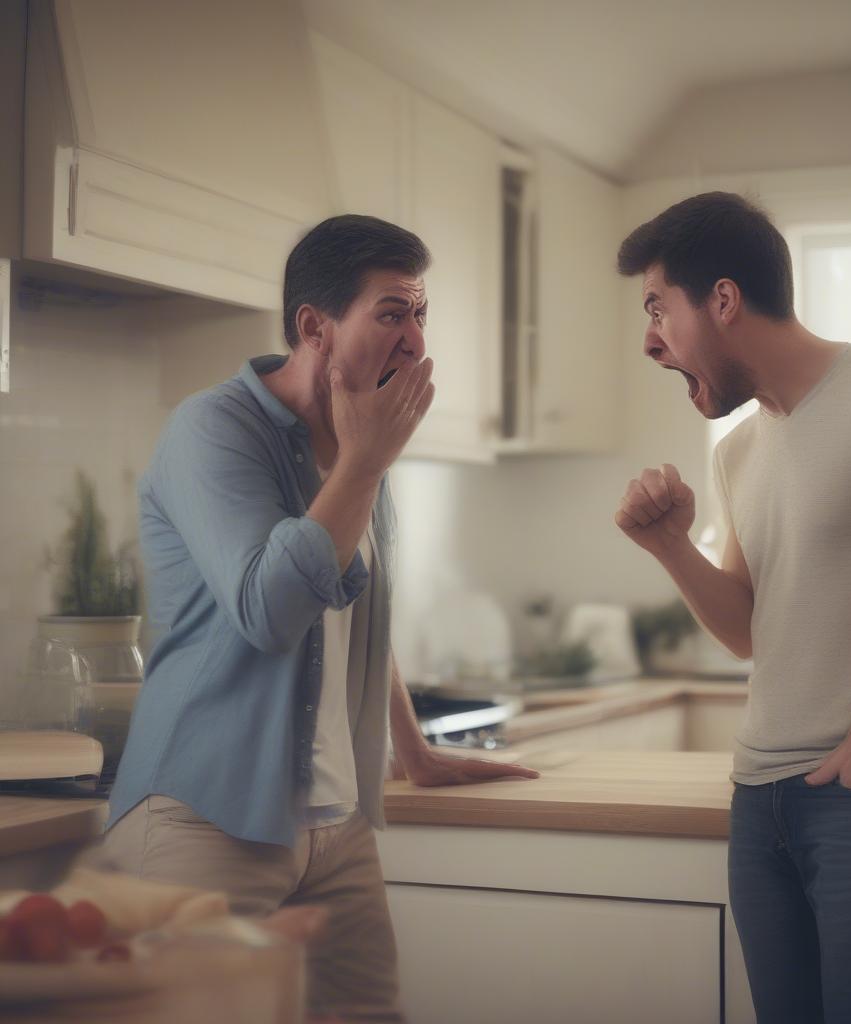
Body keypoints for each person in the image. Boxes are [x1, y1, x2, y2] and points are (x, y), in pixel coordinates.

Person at [93, 214, 539, 1023]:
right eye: (394, 312)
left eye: (422, 314)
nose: (415, 340)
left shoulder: (358, 441)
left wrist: (413, 750)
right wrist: (366, 464)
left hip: (336, 829)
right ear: (313, 327)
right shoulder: (213, 430)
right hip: (204, 819)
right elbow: (270, 613)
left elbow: (359, 614)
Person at [614, 192, 851, 1024]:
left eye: (656, 308)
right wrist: (672, 546)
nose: (649, 339)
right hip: (760, 801)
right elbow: (755, 629)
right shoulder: (742, 450)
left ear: (722, 300)